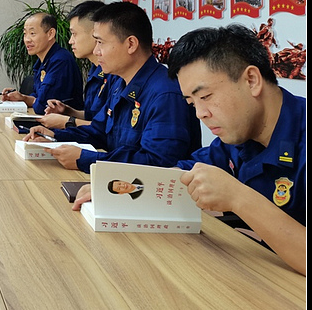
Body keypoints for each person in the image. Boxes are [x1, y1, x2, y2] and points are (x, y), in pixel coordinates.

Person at [74, 23, 306, 275]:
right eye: (191, 102)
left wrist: (238, 198)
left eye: (205, 97)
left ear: (251, 80)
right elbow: (189, 170)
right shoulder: (239, 134)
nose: (200, 114)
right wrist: (121, 186)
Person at [26, 1, 201, 172]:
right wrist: (53, 136)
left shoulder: (165, 93)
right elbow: (99, 131)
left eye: (100, 43)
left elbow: (157, 164)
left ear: (131, 44)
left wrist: (87, 159)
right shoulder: (120, 83)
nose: (96, 51)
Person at [37, 0, 119, 130]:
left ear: (95, 33)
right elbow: (93, 116)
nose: (70, 41)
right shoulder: (95, 69)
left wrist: (67, 121)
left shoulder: (115, 73)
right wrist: (68, 111)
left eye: (74, 34)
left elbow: (106, 129)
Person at [0, 12, 84, 115]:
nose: (27, 40)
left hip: (64, 123)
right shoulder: (43, 61)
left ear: (50, 34)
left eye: (32, 33)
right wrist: (23, 98)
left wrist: (33, 101)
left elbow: (42, 106)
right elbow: (38, 96)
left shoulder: (60, 61)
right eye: (25, 34)